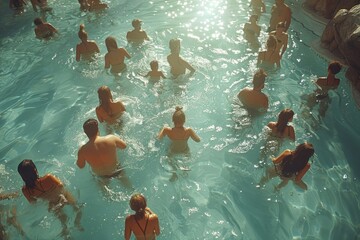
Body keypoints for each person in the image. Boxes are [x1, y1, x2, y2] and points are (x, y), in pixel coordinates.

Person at [17, 160, 83, 237]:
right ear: (35, 170)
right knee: (77, 207)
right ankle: (77, 223)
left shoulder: (25, 191)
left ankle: (66, 234)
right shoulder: (48, 178)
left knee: (63, 222)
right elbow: (61, 185)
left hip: (52, 203)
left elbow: (33, 202)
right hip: (61, 196)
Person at [76, 119, 132, 188]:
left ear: (85, 133)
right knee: (129, 187)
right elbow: (124, 146)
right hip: (117, 170)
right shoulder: (111, 138)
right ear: (98, 129)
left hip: (101, 177)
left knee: (107, 195)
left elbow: (81, 166)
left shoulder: (82, 150)